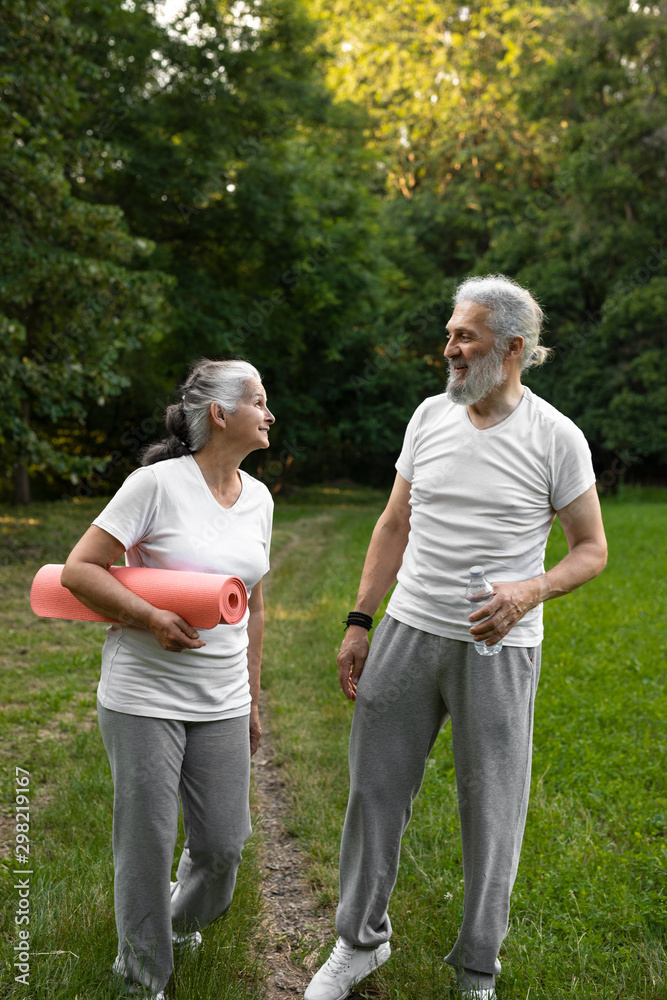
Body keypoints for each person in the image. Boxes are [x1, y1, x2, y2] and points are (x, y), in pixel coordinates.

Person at [304, 275, 608, 1000]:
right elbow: (392, 524)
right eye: (449, 334)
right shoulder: (428, 417)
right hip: (408, 630)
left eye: (462, 336)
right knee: (373, 794)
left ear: (510, 348)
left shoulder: (554, 437)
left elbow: (590, 549)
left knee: (491, 808)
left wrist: (529, 589)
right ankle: (356, 942)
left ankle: (477, 968)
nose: (448, 348)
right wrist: (358, 620)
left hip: (496, 650)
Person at [61, 359, 275, 999]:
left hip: (223, 699)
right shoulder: (153, 485)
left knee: (222, 847)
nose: (269, 414)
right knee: (148, 843)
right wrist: (151, 615)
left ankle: (174, 923)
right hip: (142, 696)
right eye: (259, 401)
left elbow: (254, 604)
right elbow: (80, 570)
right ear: (220, 414)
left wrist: (252, 699)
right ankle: (141, 975)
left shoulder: (259, 498)